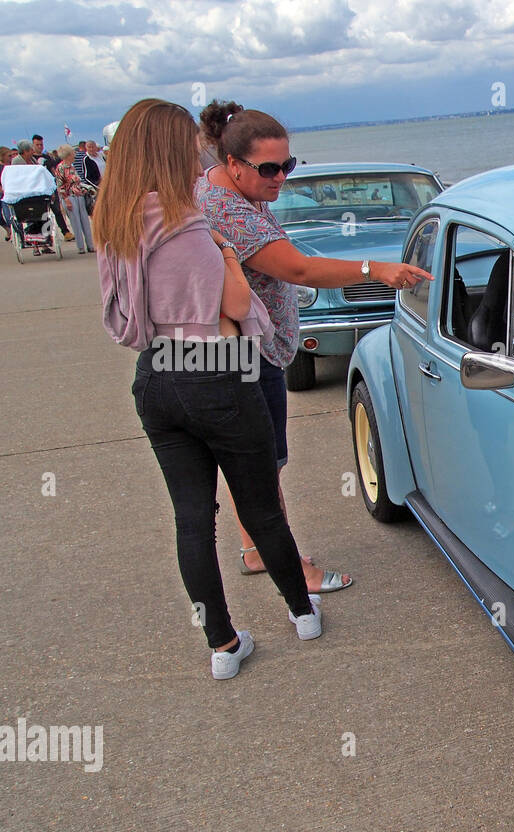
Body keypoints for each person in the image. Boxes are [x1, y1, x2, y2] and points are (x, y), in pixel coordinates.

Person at [96, 98, 322, 680]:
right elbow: (237, 305)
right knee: (259, 504)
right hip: (218, 371)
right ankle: (303, 612)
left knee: (192, 517)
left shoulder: (118, 224)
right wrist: (226, 254)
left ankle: (222, 646)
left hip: (157, 375)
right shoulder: (189, 228)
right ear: (173, 152)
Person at [195, 99, 432, 593]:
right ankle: (293, 573)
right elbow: (299, 270)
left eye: (288, 166)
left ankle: (257, 549)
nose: (280, 178)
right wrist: (376, 269)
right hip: (250, 357)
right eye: (268, 169)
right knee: (262, 468)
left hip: (248, 350)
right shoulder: (230, 210)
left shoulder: (224, 188)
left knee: (251, 466)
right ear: (234, 164)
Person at [30, 135, 74, 240]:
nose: (40, 146)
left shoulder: (47, 157)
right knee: (42, 214)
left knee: (57, 211)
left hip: (51, 188)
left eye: (41, 144)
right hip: (39, 189)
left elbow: (54, 170)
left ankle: (65, 232)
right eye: (37, 145)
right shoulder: (31, 159)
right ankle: (44, 236)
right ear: (33, 145)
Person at [54, 145, 93, 253]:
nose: (74, 155)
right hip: (69, 197)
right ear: (68, 155)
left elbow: (78, 182)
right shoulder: (60, 168)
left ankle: (90, 245)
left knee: (85, 220)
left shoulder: (72, 167)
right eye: (72, 153)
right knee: (75, 222)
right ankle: (81, 247)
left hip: (79, 195)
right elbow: (60, 185)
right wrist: (66, 199)